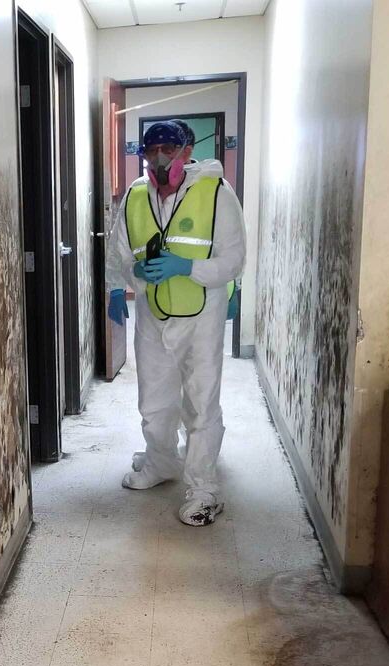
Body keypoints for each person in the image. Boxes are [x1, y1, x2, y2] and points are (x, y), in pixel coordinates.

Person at [106, 119, 246, 526]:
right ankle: (161, 461)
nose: (160, 158)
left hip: (201, 315)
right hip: (152, 314)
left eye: (169, 149)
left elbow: (234, 259)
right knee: (153, 397)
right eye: (151, 150)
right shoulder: (136, 195)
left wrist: (188, 267)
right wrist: (122, 282)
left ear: (187, 152)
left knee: (201, 401)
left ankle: (204, 489)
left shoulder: (216, 193)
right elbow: (119, 251)